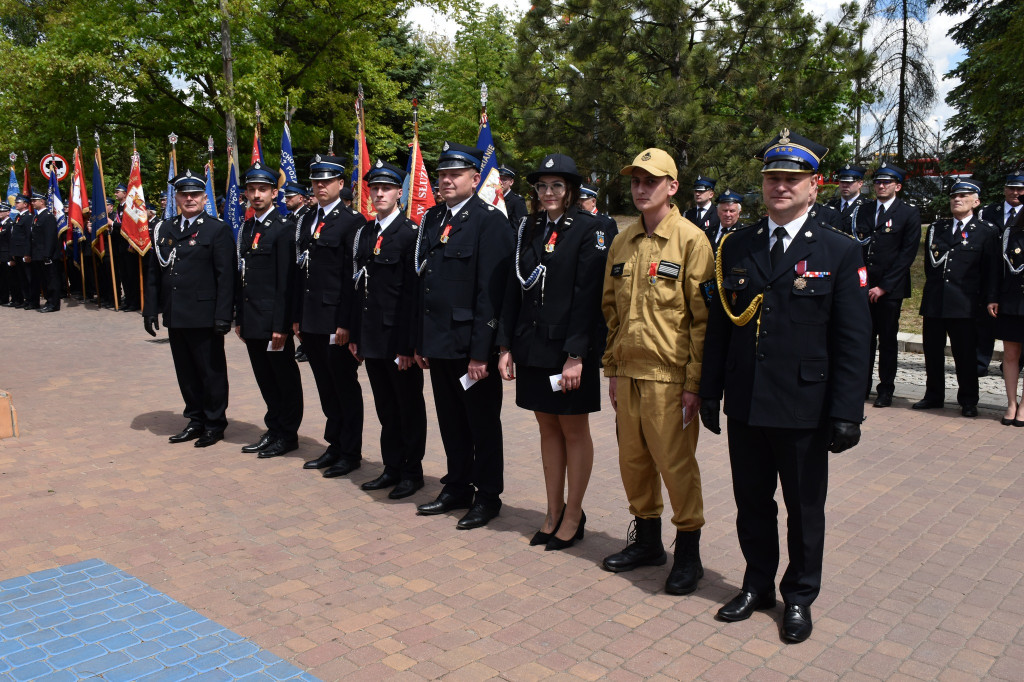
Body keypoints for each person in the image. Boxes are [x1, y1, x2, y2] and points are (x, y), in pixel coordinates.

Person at [699, 129, 871, 643]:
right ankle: (756, 585)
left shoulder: (839, 250)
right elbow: (721, 326)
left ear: (814, 186)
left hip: (804, 405)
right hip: (747, 399)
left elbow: (854, 339)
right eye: (773, 178)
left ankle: (799, 596)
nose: (781, 187)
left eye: (792, 180)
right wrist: (711, 389)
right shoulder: (738, 244)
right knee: (751, 501)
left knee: (803, 508)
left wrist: (847, 411)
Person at [600, 148, 714, 595]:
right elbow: (610, 308)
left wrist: (694, 382)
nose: (641, 188)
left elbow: (702, 320)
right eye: (635, 181)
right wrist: (611, 367)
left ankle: (689, 551)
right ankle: (647, 541)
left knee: (675, 464)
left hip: (670, 378)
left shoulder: (691, 240)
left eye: (651, 180)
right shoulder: (623, 239)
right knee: (633, 462)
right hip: (628, 373)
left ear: (673, 186)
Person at [497, 154, 608, 551]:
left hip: (568, 350)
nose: (548, 193)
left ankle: (574, 514)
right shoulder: (527, 227)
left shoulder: (589, 229)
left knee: (573, 429)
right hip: (532, 345)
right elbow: (515, 289)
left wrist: (576, 354)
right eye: (542, 186)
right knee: (547, 427)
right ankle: (552, 509)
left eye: (556, 186)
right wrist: (506, 344)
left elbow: (588, 297)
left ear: (572, 190)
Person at [413, 141, 514, 530]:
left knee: (482, 424)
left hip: (471, 347)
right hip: (439, 343)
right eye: (442, 174)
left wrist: (480, 352)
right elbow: (426, 285)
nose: (447, 180)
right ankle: (457, 485)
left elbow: (492, 294)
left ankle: (488, 496)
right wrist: (422, 341)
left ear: (475, 179)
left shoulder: (490, 222)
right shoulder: (434, 219)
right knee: (451, 421)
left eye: (455, 174)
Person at [349, 160, 427, 499]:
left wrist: (408, 345)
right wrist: (356, 335)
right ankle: (391, 466)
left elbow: (413, 296)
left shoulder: (410, 234)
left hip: (398, 340)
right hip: (372, 337)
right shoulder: (366, 232)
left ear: (400, 193)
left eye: (386, 189)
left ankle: (412, 471)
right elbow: (358, 288)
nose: (379, 193)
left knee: (407, 407)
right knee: (385, 407)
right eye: (374, 188)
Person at [144, 170, 236, 447]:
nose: (189, 199)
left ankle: (214, 423)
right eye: (184, 194)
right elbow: (153, 274)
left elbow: (226, 277)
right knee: (186, 373)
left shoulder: (216, 229)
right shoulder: (165, 227)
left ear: (204, 197)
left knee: (210, 372)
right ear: (177, 198)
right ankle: (195, 419)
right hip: (176, 313)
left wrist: (223, 315)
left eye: (195, 194)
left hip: (204, 315)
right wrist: (151, 309)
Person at [292, 154, 366, 477]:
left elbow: (354, 279)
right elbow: (300, 273)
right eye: (316, 181)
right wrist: (297, 316)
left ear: (340, 184)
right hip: (311, 320)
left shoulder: (353, 222)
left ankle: (350, 452)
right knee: (325, 386)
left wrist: (346, 323)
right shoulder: (306, 219)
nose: (320, 186)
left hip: (336, 319)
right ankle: (334, 444)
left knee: (344, 387)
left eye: (327, 180)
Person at [234, 162, 303, 458]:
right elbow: (243, 275)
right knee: (265, 378)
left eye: (263, 189)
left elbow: (285, 282)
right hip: (252, 319)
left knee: (283, 378)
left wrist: (281, 325)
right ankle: (274, 427)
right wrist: (239, 316)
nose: (256, 194)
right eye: (251, 189)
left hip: (273, 321)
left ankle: (287, 434)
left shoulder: (284, 229)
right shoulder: (247, 227)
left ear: (275, 193)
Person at [914, 180, 999, 417]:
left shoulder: (986, 231)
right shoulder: (937, 228)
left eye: (963, 195)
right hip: (935, 301)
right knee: (932, 353)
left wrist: (991, 298)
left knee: (965, 355)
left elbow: (991, 270)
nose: (957, 199)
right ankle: (933, 395)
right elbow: (931, 267)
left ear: (976, 201)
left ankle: (969, 400)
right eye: (953, 196)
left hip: (965, 303)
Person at [853, 163, 921, 407]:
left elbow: (907, 255)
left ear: (898, 186)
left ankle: (886, 389)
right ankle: (862, 386)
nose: (881, 186)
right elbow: (857, 247)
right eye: (878, 182)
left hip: (889, 289)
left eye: (887, 183)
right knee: (864, 338)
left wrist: (883, 287)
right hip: (863, 286)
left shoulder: (908, 213)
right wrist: (861, 284)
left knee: (888, 340)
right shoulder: (864, 210)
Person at [979, 171, 1024, 375]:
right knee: (986, 320)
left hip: (1017, 278)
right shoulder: (988, 212)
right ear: (1005, 189)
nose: (1015, 192)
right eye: (1011, 188)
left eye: (1020, 189)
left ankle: (1016, 362)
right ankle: (980, 362)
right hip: (990, 272)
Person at [988, 211, 1024, 425]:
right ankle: (1011, 403)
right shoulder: (1010, 233)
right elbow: (996, 269)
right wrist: (993, 297)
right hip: (1012, 301)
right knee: (1011, 355)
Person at [29, 192, 62, 313]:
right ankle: (49, 301)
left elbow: (50, 237)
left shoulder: (48, 216)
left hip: (47, 255)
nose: (32, 203)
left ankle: (53, 304)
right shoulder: (37, 216)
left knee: (51, 280)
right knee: (44, 280)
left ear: (42, 201)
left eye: (34, 201)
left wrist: (47, 255)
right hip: (39, 254)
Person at [825, 163, 867, 234]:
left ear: (860, 183)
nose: (844, 185)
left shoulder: (867, 207)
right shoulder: (830, 206)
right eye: (842, 181)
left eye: (849, 182)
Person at [9, 195, 33, 309]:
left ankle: (31, 300)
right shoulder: (19, 217)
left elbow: (28, 236)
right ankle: (26, 299)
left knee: (28, 277)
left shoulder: (28, 217)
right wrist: (13, 252)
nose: (16, 204)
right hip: (18, 252)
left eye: (18, 202)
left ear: (25, 204)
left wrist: (27, 253)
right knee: (21, 278)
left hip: (24, 252)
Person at [683, 175, 719, 243]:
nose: (697, 194)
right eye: (696, 191)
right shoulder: (688, 214)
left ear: (711, 194)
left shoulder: (718, 213)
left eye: (701, 191)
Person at [499, 165, 529, 230]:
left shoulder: (517, 201)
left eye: (504, 179)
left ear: (511, 182)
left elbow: (520, 228)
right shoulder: (493, 199)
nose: (500, 182)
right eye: (499, 179)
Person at [0, 203, 13, 306]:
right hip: (1, 255)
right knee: (2, 278)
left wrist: (10, 257)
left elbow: (10, 242)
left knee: (9, 278)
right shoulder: (1, 224)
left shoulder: (10, 224)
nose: (0, 213)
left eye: (2, 211)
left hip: (6, 255)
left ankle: (12, 299)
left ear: (8, 212)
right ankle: (3, 298)